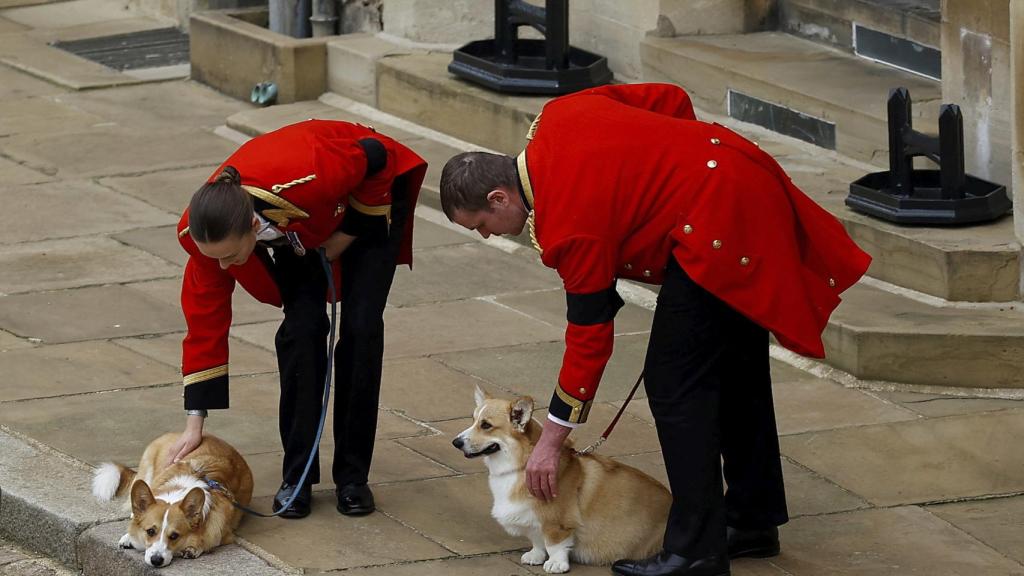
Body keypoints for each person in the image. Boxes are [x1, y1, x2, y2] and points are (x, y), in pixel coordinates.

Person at [439, 83, 870, 576]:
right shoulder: (558, 116)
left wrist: (550, 442)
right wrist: (675, 168)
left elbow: (589, 340)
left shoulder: (568, 225)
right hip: (739, 176)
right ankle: (752, 518)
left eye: (482, 223)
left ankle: (695, 550)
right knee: (735, 366)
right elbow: (669, 99)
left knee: (674, 386)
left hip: (717, 225)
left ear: (499, 195)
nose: (486, 235)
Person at [170, 119, 426, 519]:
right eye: (214, 255)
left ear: (253, 226)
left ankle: (353, 478)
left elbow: (379, 157)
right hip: (299, 229)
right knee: (302, 331)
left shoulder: (312, 172)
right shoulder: (204, 233)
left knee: (361, 328)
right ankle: (298, 477)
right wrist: (194, 423)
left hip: (365, 200)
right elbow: (204, 324)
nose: (220, 265)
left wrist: (347, 234)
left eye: (228, 255)